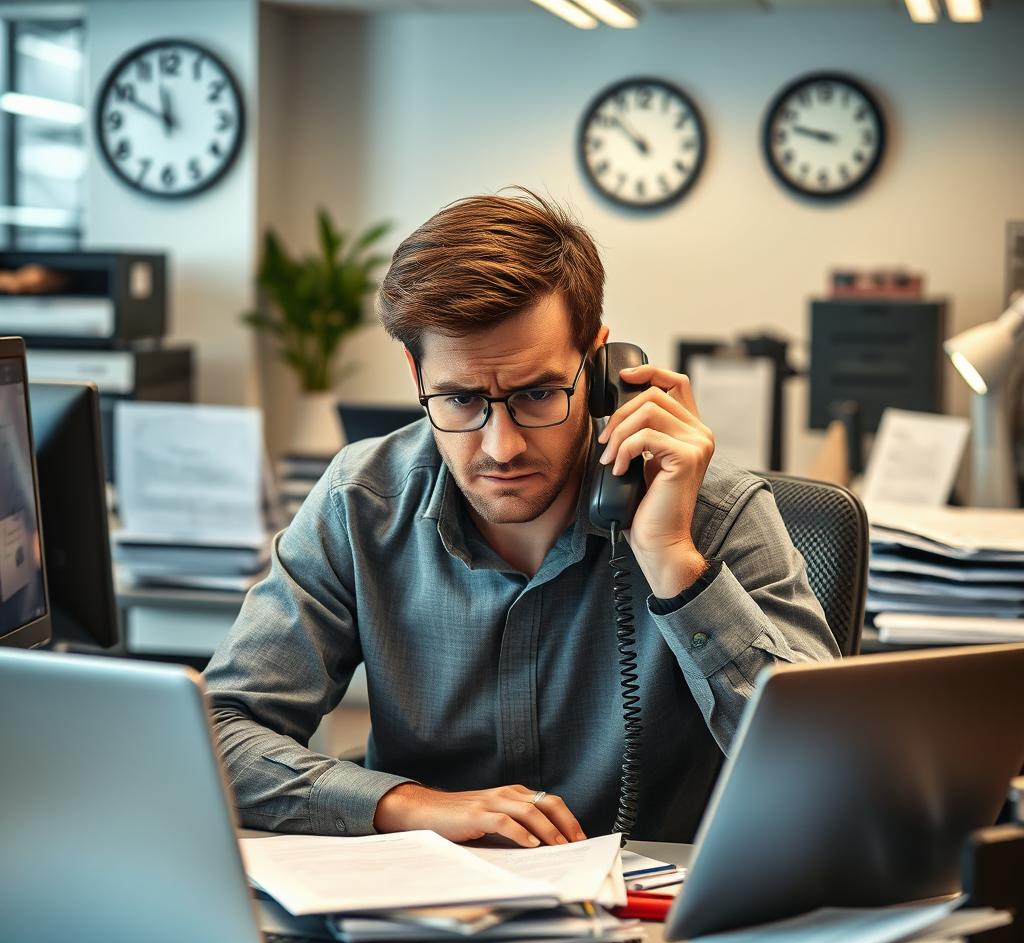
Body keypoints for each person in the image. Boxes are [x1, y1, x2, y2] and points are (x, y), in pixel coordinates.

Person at [205, 189, 839, 846]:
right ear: (414, 372)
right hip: (428, 922)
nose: (501, 447)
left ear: (598, 364)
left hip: (659, 929)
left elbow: (832, 774)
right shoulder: (361, 502)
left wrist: (673, 558)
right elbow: (220, 734)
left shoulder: (717, 512)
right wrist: (414, 806)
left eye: (538, 393)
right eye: (459, 398)